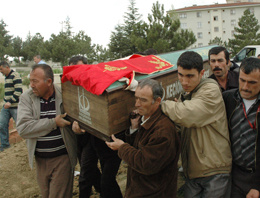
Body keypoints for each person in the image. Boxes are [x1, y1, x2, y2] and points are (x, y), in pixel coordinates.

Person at [161, 51, 232, 198]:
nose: (184, 81)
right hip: (194, 171)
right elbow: (180, 125)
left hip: (214, 171)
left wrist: (160, 105)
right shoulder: (189, 94)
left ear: (201, 73)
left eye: (190, 76)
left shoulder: (210, 90)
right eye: (180, 75)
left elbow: (188, 114)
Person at [105, 79, 180, 198]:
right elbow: (140, 147)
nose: (137, 104)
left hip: (154, 193)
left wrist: (122, 147)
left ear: (157, 101)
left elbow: (145, 163)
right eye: (136, 98)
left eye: (143, 100)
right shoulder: (147, 119)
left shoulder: (163, 131)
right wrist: (134, 129)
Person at [16, 64, 77, 198]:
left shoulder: (64, 95)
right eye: (30, 80)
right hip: (40, 160)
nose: (31, 85)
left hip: (62, 158)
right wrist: (53, 122)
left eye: (35, 81)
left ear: (49, 82)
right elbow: (23, 129)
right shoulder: (27, 98)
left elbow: (77, 119)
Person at [70, 55, 122, 198]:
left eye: (81, 69)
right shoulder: (70, 89)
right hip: (86, 141)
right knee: (87, 176)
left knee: (106, 180)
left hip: (105, 141)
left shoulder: (98, 82)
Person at [223, 57, 260, 198]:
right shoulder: (228, 99)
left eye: (252, 83)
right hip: (234, 175)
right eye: (242, 80)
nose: (245, 87)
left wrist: (257, 185)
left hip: (256, 176)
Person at [0, 61, 22, 152]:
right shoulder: (6, 77)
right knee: (2, 124)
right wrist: (5, 101)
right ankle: (5, 145)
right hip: (6, 107)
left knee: (20, 126)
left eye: (1, 69)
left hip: (15, 106)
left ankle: (24, 145)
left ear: (7, 67)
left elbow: (18, 91)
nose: (0, 71)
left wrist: (10, 102)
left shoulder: (15, 75)